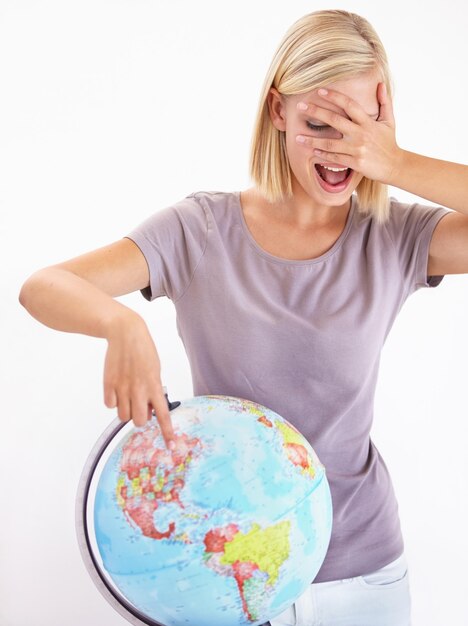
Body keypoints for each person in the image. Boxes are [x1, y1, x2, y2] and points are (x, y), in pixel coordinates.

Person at [18, 9, 468, 626]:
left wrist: (396, 164)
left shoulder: (393, 237)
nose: (343, 151)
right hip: (227, 579)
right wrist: (122, 325)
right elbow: (44, 286)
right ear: (277, 110)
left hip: (365, 575)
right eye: (319, 124)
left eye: (361, 128)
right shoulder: (200, 230)